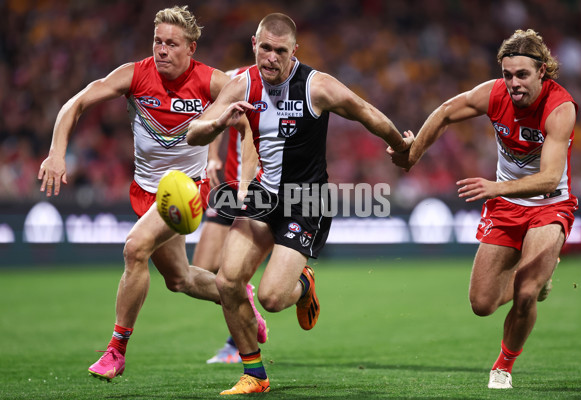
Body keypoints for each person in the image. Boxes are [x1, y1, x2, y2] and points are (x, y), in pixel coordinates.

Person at [187, 13, 413, 395]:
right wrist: (219, 121)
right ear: (253, 44)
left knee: (274, 299)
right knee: (228, 282)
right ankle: (254, 375)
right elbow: (195, 132)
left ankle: (303, 284)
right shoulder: (241, 84)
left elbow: (365, 112)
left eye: (280, 51)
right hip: (263, 194)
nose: (271, 58)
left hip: (306, 200)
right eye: (265, 48)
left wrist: (402, 147)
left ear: (294, 51)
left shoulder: (316, 86)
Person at [37, 5, 266, 381]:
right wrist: (56, 153)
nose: (162, 50)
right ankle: (241, 297)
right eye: (157, 41)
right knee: (180, 280)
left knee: (134, 247)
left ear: (191, 48)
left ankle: (116, 350)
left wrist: (246, 177)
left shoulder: (213, 81)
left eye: (172, 44)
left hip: (188, 190)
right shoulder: (134, 75)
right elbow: (74, 103)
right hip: (147, 192)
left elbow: (253, 122)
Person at [387, 29, 578, 389]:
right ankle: (538, 281)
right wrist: (411, 156)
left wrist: (496, 187)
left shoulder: (560, 107)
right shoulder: (493, 94)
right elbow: (445, 112)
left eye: (522, 74)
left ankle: (503, 366)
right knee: (482, 303)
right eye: (507, 74)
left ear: (542, 71)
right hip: (507, 206)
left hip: (548, 205)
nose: (513, 83)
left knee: (522, 293)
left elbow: (551, 178)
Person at [194, 66, 266, 364]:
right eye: (264, 49)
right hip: (229, 186)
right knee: (201, 268)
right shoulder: (233, 79)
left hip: (262, 189)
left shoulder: (289, 85)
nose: (269, 57)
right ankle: (246, 301)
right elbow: (214, 117)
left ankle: (237, 343)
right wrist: (212, 157)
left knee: (235, 273)